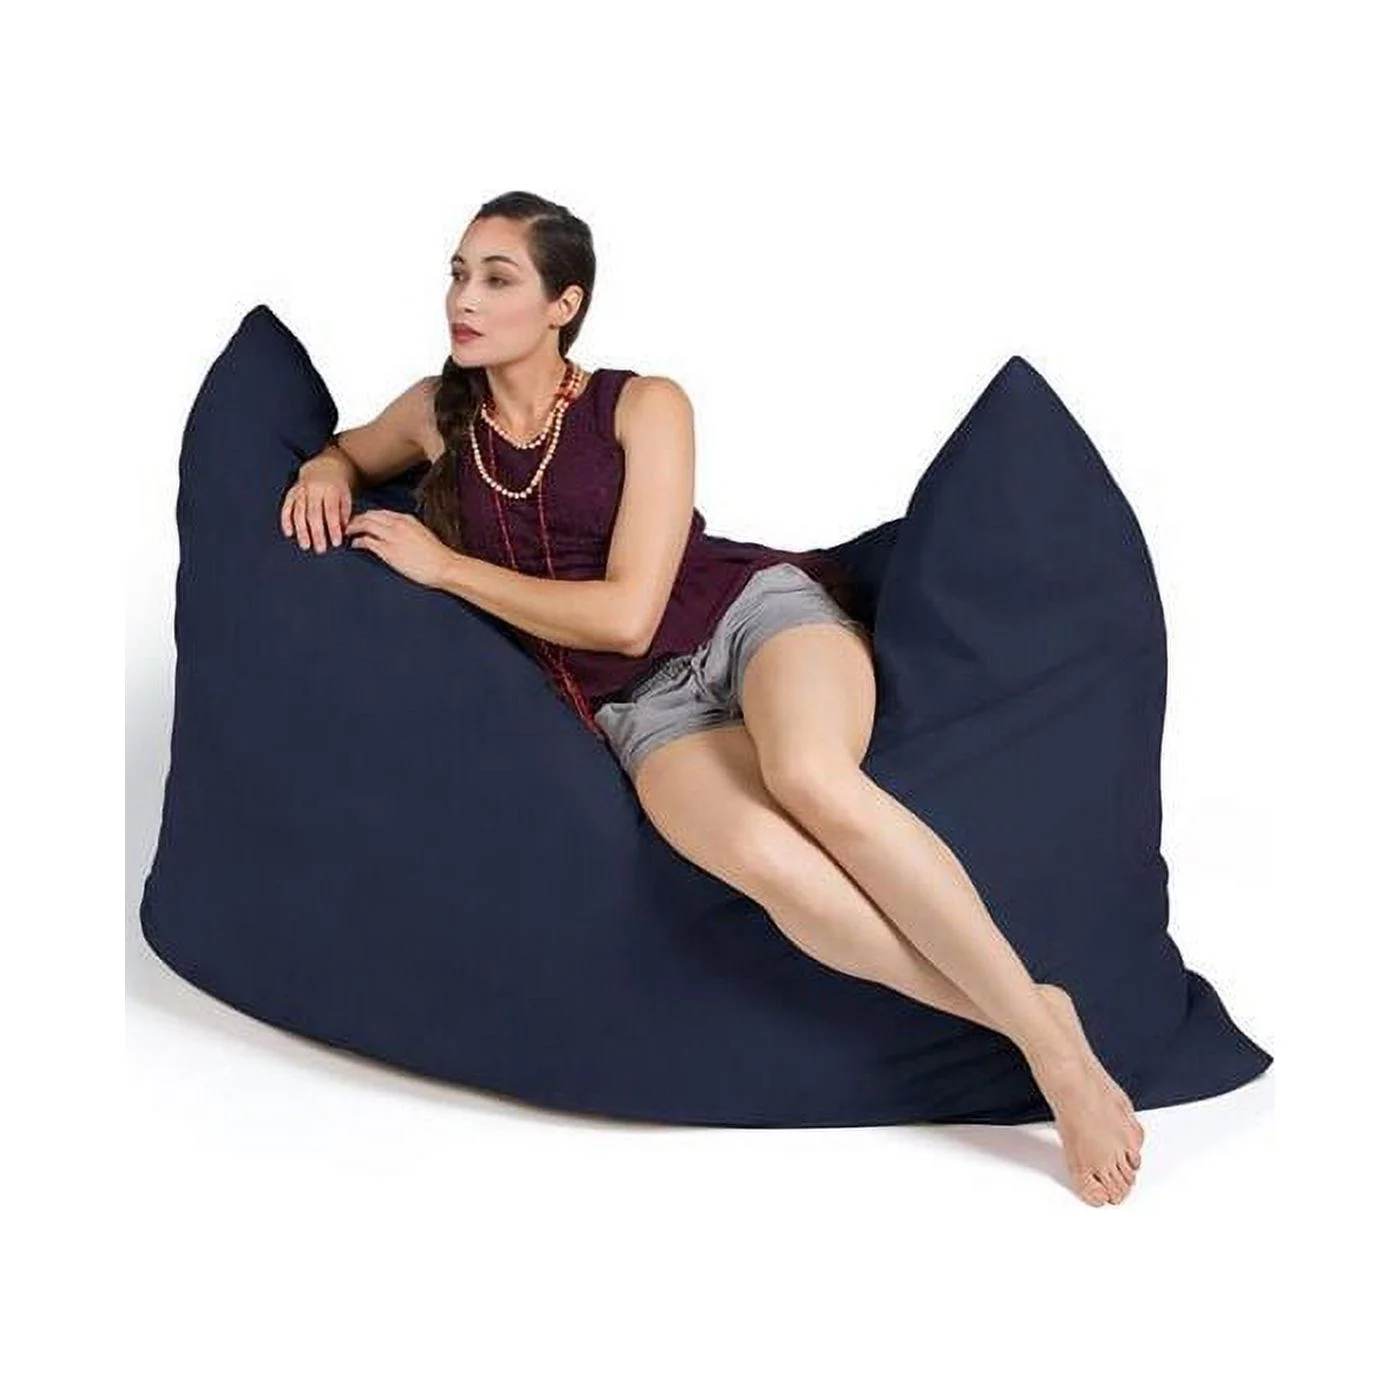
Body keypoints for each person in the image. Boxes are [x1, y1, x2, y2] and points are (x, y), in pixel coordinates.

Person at [279, 190, 1145, 1206]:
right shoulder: (437, 413)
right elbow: (347, 448)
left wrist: (447, 569)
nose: (464, 299)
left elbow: (628, 617)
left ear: (563, 304)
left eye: (497, 278)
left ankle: (1058, 1065)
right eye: (458, 274)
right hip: (640, 711)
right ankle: (1036, 1019)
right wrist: (323, 469)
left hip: (749, 620)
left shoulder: (644, 404)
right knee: (773, 868)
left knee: (809, 777)